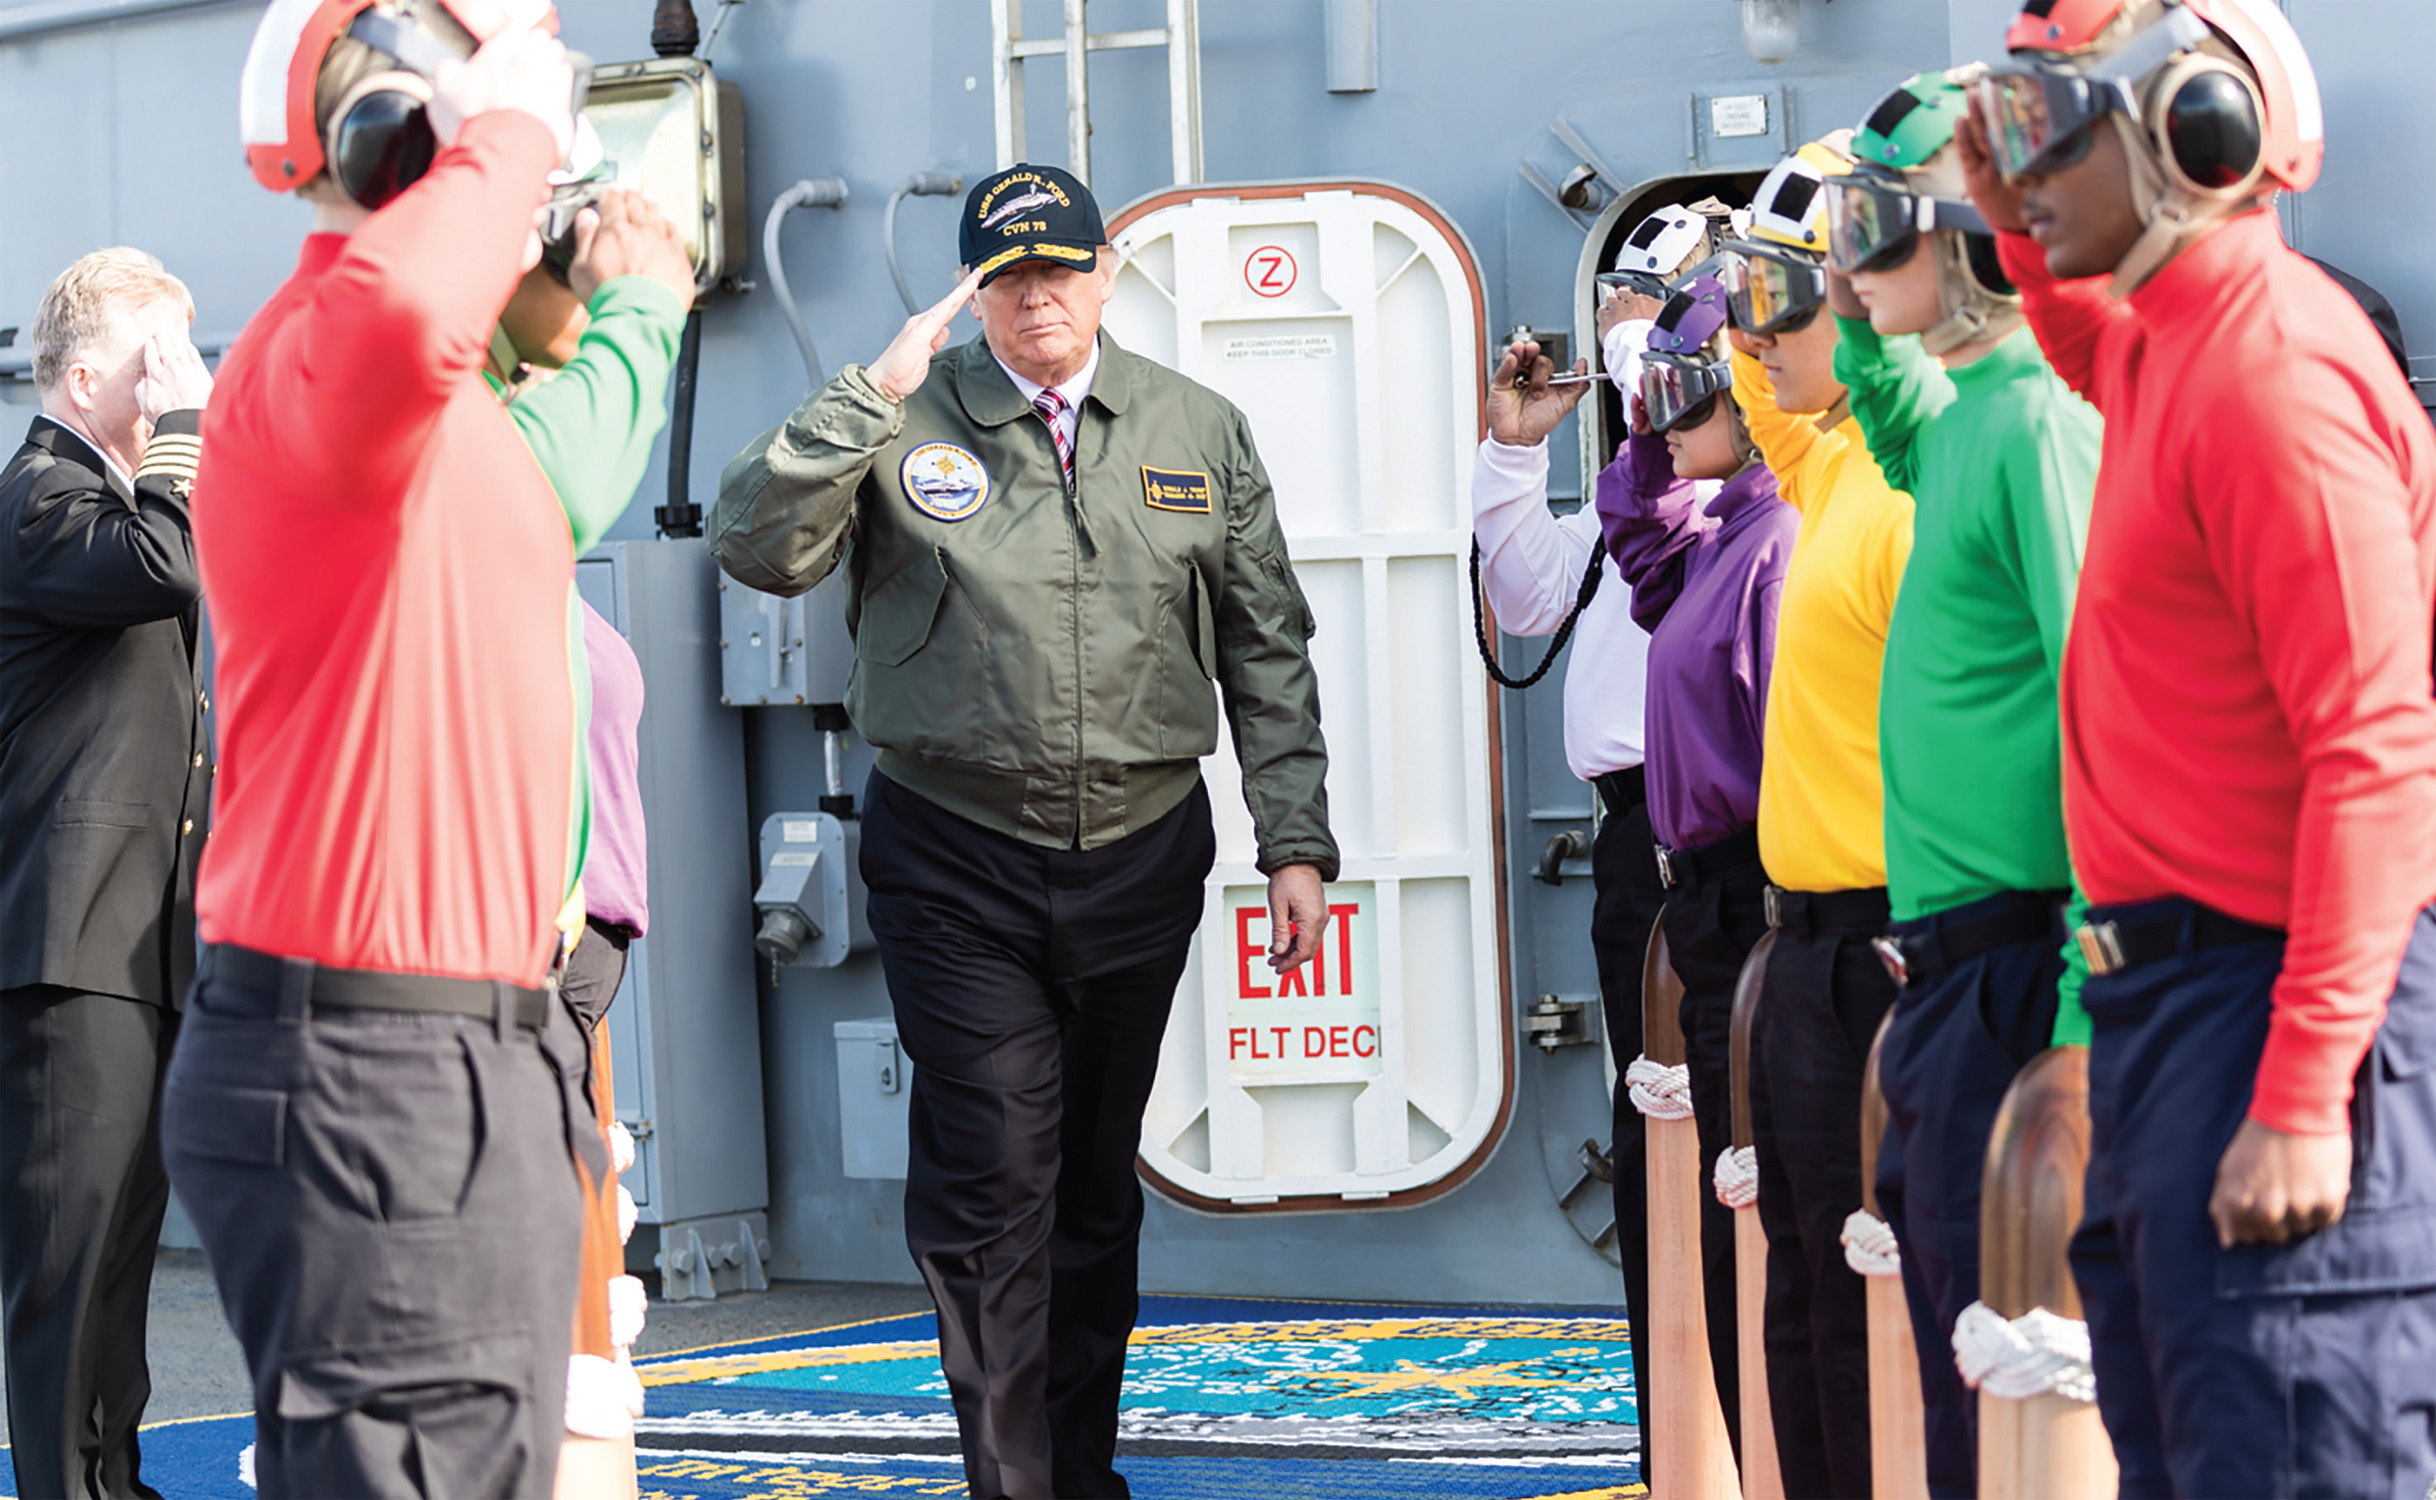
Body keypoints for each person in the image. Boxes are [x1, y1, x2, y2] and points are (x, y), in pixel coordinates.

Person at [709, 162, 1336, 1500]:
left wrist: (1295, 838)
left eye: (1061, 267)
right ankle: (1014, 1482)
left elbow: (1267, 645)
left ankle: (1077, 1469)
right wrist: (861, 397)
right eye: (1008, 273)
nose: (1037, 293)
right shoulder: (898, 417)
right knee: (995, 1177)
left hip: (1141, 849)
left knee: (1095, 1190)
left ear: (1110, 276)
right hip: (955, 853)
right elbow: (756, 545)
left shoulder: (1196, 428)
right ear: (974, 291)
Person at [1966, 2, 2436, 1493]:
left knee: (2284, 1444)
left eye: (2050, 129)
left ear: (2194, 130)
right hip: (2177, 1008)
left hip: (2266, 1001)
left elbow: (2375, 747)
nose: (2019, 164)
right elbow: (2096, 348)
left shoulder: (2274, 375)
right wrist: (2018, 233)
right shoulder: (2179, 341)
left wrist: (2304, 1098)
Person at [164, 4, 606, 1494]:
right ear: (405, 131)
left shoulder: (422, 417)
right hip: (383, 1079)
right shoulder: (323, 357)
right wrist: (519, 127)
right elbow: (415, 313)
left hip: (448, 1066)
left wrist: (622, 302)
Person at [1821, 68, 2101, 1498]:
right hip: (1945, 976)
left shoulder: (2041, 424)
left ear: (1978, 239)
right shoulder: (1965, 416)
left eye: (1882, 229)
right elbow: (1879, 402)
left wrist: (2077, 1014)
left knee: (1996, 1394)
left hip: (2017, 963)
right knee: (1948, 1376)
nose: (1854, 261)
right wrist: (1851, 257)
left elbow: (2103, 707)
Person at [1472, 202, 1713, 1472]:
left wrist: (1638, 341)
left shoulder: (1761, 469)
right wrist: (1513, 458)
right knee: (1652, 1143)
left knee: (1745, 1140)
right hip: (1643, 849)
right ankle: (1678, 1442)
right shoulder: (1638, 494)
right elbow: (1524, 598)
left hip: (1744, 837)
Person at [476, 187, 695, 1486]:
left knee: (581, 1281)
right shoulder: (499, 474)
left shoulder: (531, 516)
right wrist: (637, 306)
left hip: (581, 954)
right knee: (544, 1288)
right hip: (517, 953)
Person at [1720, 132, 1916, 1499]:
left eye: (1790, 302)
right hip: (1804, 953)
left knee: (1877, 1314)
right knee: (1804, 1299)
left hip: (1893, 951)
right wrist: (1768, 243)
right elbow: (1764, 382)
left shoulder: (1909, 488)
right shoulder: (1836, 463)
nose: (1755, 335)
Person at [0, 247, 213, 1500]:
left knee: (121, 1249)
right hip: (69, 948)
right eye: (157, 359)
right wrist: (183, 428)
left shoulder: (115, 499)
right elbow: (163, 570)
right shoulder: (39, 496)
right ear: (86, 378)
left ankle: (109, 1483)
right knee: (69, 1264)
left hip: (133, 945)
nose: (182, 383)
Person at [1593, 271, 1798, 1466]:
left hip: (1760, 901)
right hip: (1708, 906)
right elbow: (1640, 540)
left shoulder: (1777, 542)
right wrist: (1648, 429)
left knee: (1760, 1225)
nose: (1664, 411)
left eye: (1688, 389)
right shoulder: (1730, 529)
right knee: (1725, 1219)